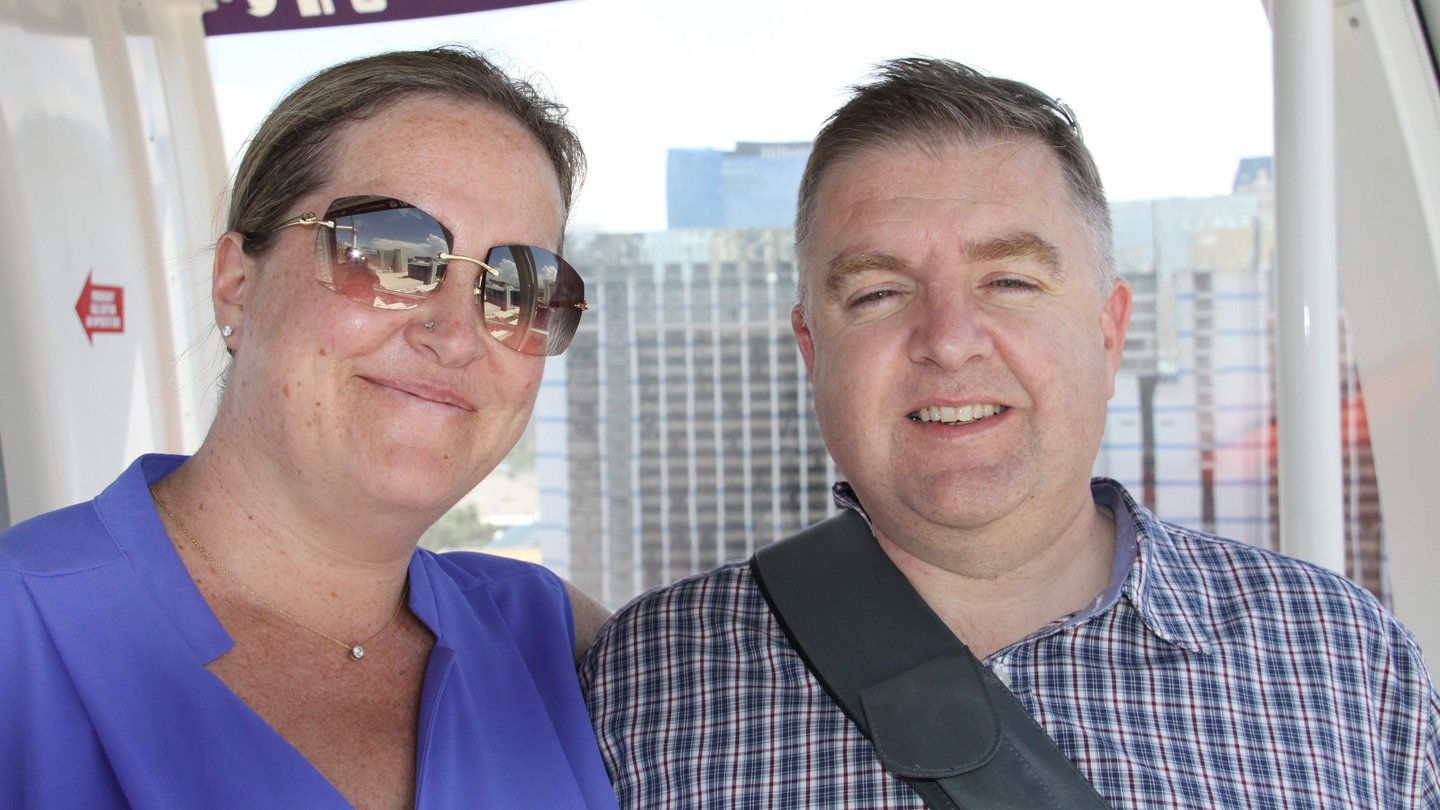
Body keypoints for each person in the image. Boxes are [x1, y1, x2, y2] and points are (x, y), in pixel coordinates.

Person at [580, 57, 1440, 808]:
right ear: (813, 350)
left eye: (1011, 281)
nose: (950, 338)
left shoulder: (1343, 660)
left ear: (1108, 333)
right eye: (879, 292)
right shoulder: (645, 681)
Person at [1, 46, 616, 809]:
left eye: (519, 285)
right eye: (388, 249)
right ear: (236, 283)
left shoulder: (559, 644)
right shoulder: (18, 636)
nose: (456, 334)